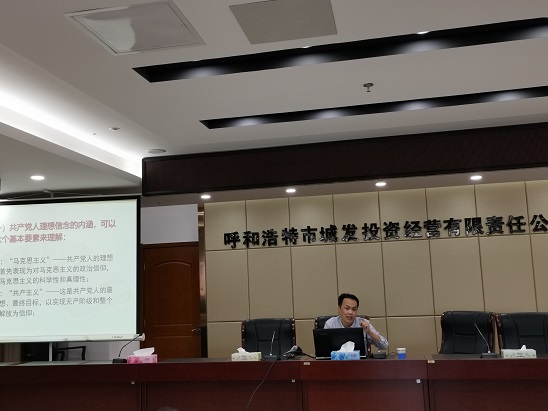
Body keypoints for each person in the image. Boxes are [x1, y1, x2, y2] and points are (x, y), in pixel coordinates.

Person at [324, 292, 389, 350]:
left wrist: (369, 332)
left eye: (354, 309)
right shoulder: (330, 324)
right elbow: (323, 348)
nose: (350, 312)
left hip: (359, 359)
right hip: (336, 359)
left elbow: (384, 346)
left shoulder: (363, 323)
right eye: (347, 308)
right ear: (339, 309)